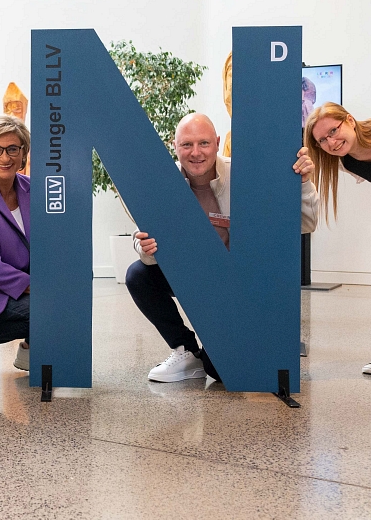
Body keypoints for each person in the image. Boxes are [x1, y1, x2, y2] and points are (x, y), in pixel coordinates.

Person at [127, 112, 319, 382]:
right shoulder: (163, 183)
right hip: (193, 276)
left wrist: (303, 184)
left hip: (238, 284)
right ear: (174, 146)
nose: (196, 152)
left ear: (217, 143)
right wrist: (144, 248)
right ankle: (186, 351)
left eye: (204, 143)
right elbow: (143, 240)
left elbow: (306, 223)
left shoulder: (244, 175)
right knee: (138, 274)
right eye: (187, 145)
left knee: (219, 370)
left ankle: (232, 345)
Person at [304, 103, 371, 375]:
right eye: (322, 140)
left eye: (333, 131)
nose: (331, 142)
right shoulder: (344, 162)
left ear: (350, 120)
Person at [0, 116, 32, 379]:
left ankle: (30, 349)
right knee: (44, 305)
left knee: (67, 295)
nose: (5, 157)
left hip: (24, 285)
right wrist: (32, 285)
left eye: (13, 149)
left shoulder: (32, 189)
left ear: (23, 153)